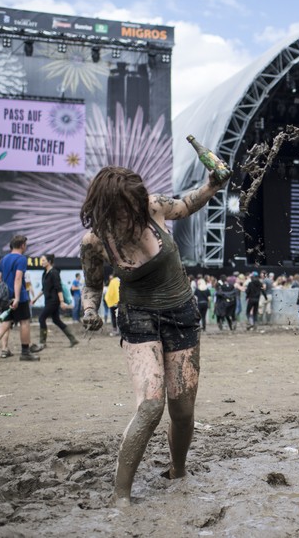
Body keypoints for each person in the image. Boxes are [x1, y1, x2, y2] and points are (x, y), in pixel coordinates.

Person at [78, 164, 229, 507]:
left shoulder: (155, 206)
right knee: (150, 406)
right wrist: (89, 311)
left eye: (137, 203)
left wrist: (212, 184)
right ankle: (120, 496)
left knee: (183, 409)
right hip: (138, 318)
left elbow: (188, 204)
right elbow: (91, 284)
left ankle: (178, 469)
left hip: (182, 315)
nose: (135, 211)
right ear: (107, 207)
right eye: (125, 208)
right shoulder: (96, 242)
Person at [0, 235, 40, 362]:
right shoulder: (21, 259)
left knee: (6, 322)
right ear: (22, 245)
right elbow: (18, 278)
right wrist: (17, 298)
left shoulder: (4, 259)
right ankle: (25, 353)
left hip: (5, 297)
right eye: (26, 245)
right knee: (24, 322)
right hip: (18, 296)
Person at [31, 254, 78, 351]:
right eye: (41, 260)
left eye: (43, 260)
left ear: (49, 261)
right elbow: (44, 289)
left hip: (54, 301)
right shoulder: (45, 273)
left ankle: (42, 342)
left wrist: (61, 302)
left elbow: (58, 288)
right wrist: (35, 298)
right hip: (48, 300)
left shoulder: (54, 273)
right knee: (56, 320)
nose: (42, 262)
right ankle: (73, 339)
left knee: (41, 318)